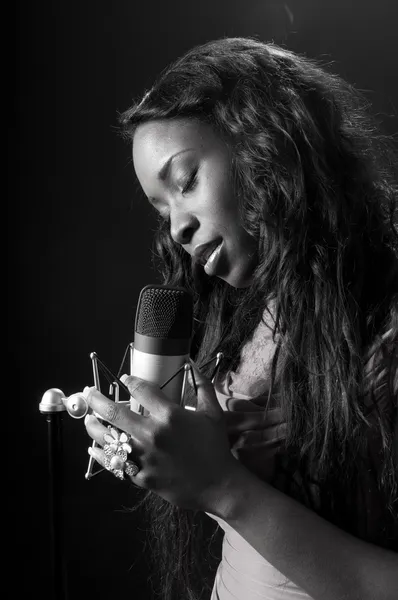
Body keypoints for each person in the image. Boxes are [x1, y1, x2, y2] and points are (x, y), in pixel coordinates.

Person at [83, 37, 398, 600]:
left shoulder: (385, 317)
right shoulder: (242, 312)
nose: (177, 228)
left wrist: (219, 485)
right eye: (163, 209)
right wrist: (162, 451)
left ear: (264, 142)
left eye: (186, 183)